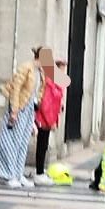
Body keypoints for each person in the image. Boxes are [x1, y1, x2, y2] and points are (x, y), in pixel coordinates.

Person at [0, 47, 43, 188]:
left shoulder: (40, 73)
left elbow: (37, 94)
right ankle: (9, 174)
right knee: (11, 142)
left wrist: (33, 117)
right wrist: (14, 111)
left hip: (28, 109)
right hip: (20, 106)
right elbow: (15, 89)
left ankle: (18, 173)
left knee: (22, 143)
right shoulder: (26, 68)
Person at [33, 49, 69, 185]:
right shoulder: (50, 82)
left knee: (43, 145)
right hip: (44, 119)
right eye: (62, 69)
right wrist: (51, 121)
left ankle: (41, 171)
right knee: (41, 145)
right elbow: (47, 104)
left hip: (48, 119)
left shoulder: (56, 83)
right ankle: (39, 172)